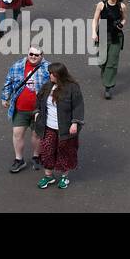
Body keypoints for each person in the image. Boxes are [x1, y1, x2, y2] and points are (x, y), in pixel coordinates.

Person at [35, 62, 84, 190]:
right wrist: (37, 114)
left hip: (65, 129)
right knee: (47, 150)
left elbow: (78, 106)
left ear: (59, 75)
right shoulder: (47, 86)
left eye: (52, 73)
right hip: (48, 126)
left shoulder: (73, 88)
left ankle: (64, 177)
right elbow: (39, 100)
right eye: (49, 73)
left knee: (65, 152)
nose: (50, 75)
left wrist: (75, 122)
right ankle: (48, 176)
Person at [1, 46, 50, 173]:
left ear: (42, 56)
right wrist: (5, 97)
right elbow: (8, 82)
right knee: (17, 134)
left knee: (36, 135)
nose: (33, 56)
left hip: (38, 110)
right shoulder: (17, 66)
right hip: (20, 108)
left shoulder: (48, 68)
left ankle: (36, 156)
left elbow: (54, 85)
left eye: (36, 55)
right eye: (31, 54)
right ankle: (19, 160)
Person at [92, 0, 127, 99]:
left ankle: (108, 86)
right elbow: (95, 19)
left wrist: (122, 24)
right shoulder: (101, 5)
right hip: (102, 34)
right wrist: (94, 32)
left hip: (116, 35)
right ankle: (105, 72)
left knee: (112, 61)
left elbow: (124, 18)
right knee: (102, 61)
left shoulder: (122, 6)